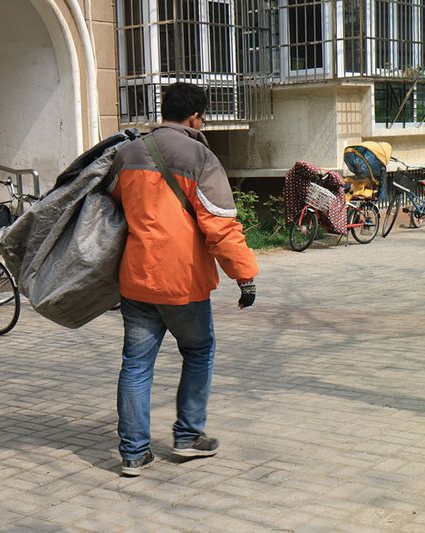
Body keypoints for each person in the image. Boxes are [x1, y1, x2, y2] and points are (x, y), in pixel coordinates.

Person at [107, 82, 259, 477]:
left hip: (137, 278)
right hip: (182, 281)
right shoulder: (199, 156)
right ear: (195, 117)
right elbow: (221, 225)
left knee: (136, 365)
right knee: (199, 350)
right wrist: (245, 277)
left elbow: (114, 209)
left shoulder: (127, 153)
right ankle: (188, 436)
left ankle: (133, 453)